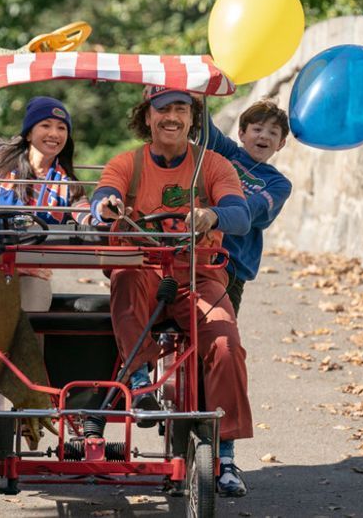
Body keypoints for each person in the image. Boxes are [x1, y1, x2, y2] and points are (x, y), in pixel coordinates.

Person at [90, 85, 253, 497]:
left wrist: (212, 214)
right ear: (147, 116)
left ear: (193, 118)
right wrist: (107, 206)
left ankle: (226, 452)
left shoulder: (213, 165)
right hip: (142, 269)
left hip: (195, 274)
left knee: (226, 343)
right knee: (124, 278)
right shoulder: (128, 163)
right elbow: (103, 194)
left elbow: (240, 214)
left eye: (181, 109)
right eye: (163, 109)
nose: (172, 117)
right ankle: (141, 384)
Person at [0, 96, 91, 311]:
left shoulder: (68, 185)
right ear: (28, 133)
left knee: (31, 320)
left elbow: (85, 214)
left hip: (32, 271)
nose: (54, 134)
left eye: (62, 128)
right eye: (46, 125)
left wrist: (103, 214)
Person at [206, 99, 293, 315]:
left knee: (221, 327)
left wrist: (213, 215)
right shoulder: (228, 153)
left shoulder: (279, 184)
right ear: (242, 133)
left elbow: (248, 211)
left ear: (280, 144)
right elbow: (203, 128)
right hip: (196, 254)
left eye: (273, 133)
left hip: (231, 266)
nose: (264, 135)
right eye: (257, 129)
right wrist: (198, 96)